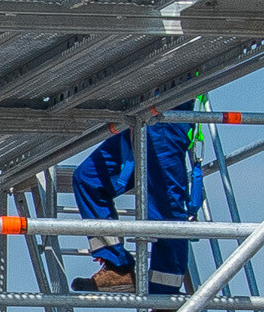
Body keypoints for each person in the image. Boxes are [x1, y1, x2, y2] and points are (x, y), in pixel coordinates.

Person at [73, 100, 203, 297]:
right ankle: (117, 267)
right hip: (136, 117)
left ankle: (165, 294)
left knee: (166, 209)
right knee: (88, 178)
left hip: (165, 119)